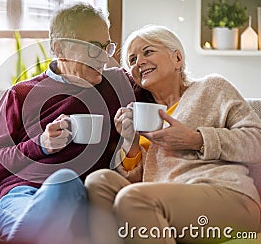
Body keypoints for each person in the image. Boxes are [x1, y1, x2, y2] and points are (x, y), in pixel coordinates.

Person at [0, 3, 151, 244]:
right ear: (60, 49)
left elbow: (171, 85)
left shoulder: (120, 84)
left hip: (83, 197)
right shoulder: (21, 94)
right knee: (63, 183)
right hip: (24, 195)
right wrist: (41, 144)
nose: (103, 57)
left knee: (68, 183)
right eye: (92, 47)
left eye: (106, 47)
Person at [85, 24, 261, 244]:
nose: (139, 62)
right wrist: (129, 141)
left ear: (177, 58)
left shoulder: (211, 88)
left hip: (228, 196)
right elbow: (144, 180)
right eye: (132, 60)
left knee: (134, 198)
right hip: (162, 200)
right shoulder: (143, 114)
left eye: (147, 52)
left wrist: (197, 140)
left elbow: (256, 141)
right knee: (99, 181)